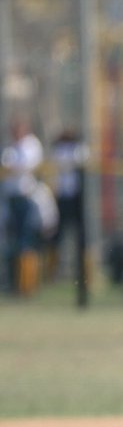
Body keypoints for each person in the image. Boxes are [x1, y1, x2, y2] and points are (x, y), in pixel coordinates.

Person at [1, 115, 54, 296]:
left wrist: (12, 166)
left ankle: (28, 286)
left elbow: (23, 166)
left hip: (27, 200)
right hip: (12, 200)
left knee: (27, 241)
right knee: (13, 242)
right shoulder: (10, 148)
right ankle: (15, 284)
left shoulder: (31, 145)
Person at [47, 129, 88, 281]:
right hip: (61, 198)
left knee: (81, 236)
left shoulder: (79, 148)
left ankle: (84, 273)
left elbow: (81, 158)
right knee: (56, 236)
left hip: (78, 199)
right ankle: (52, 273)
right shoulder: (59, 149)